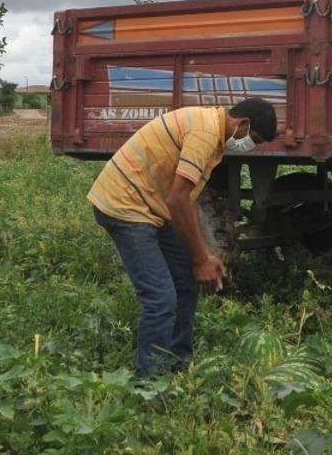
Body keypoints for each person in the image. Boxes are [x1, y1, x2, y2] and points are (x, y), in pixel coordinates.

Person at [89, 98, 277, 376]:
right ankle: (150, 383)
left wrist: (202, 253)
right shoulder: (204, 134)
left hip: (151, 206)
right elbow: (177, 200)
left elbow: (186, 197)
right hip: (124, 206)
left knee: (185, 280)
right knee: (161, 298)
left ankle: (177, 363)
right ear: (243, 124)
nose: (251, 145)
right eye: (255, 139)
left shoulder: (214, 135)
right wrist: (201, 258)